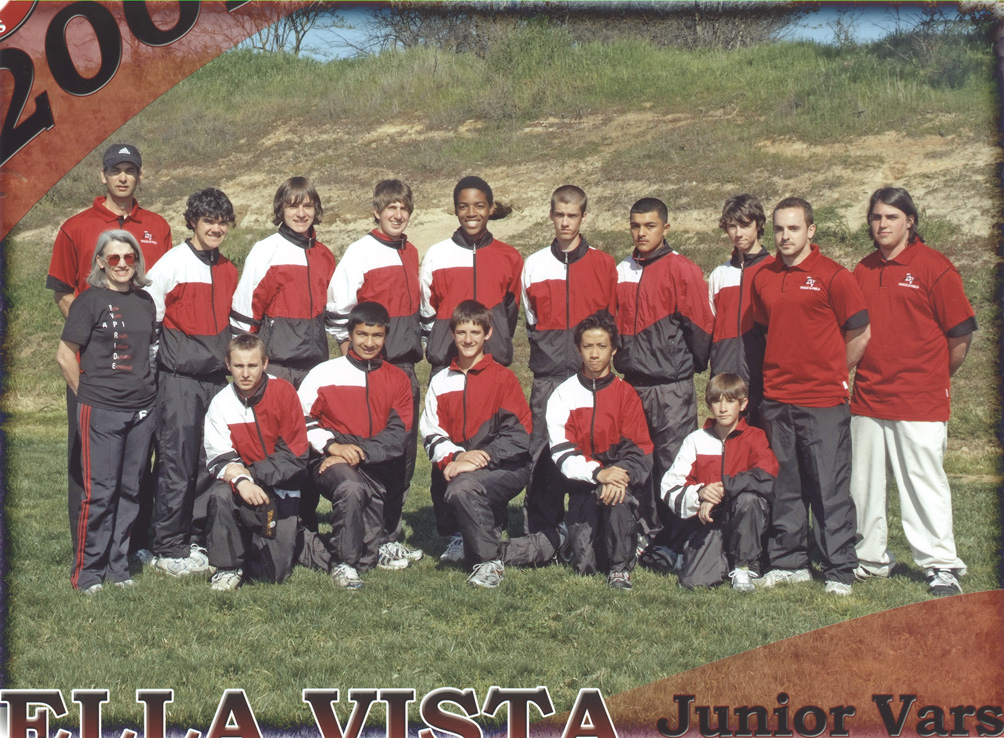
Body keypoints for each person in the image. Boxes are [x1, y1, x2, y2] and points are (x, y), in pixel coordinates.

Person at [48, 143, 172, 565]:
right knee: (88, 463)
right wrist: (95, 332)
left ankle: (129, 547)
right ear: (102, 175)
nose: (123, 177)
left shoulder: (157, 225)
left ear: (139, 176)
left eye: (130, 171)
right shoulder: (76, 226)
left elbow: (159, 290)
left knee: (135, 465)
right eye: (115, 170)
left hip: (139, 372)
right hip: (93, 371)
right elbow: (64, 289)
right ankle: (85, 548)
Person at [850, 187, 976, 597]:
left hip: (919, 400)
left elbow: (959, 336)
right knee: (864, 486)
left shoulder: (934, 267)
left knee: (923, 484)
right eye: (876, 218)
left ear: (910, 221)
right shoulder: (862, 270)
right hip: (868, 398)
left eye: (891, 217)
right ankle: (869, 559)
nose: (882, 225)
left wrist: (934, 376)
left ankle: (940, 565)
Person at [750, 197, 870, 596]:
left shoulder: (834, 276)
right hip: (777, 398)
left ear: (810, 231)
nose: (786, 236)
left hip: (822, 402)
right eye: (780, 229)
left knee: (828, 486)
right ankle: (789, 562)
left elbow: (860, 333)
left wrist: (835, 372)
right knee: (785, 484)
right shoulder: (763, 276)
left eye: (794, 228)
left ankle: (839, 568)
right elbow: (767, 330)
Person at [324, 180, 423, 560]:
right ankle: (368, 535)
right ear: (376, 212)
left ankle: (390, 534)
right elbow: (338, 309)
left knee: (402, 454)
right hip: (373, 370)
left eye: (403, 208)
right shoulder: (360, 252)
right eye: (390, 208)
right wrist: (354, 358)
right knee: (371, 453)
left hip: (405, 370)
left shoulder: (411, 251)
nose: (397, 215)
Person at [56, 230, 158, 593]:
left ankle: (117, 567)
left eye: (129, 258)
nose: (122, 265)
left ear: (137, 262)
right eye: (113, 258)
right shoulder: (89, 301)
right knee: (99, 492)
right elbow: (65, 355)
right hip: (101, 409)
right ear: (100, 261)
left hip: (141, 411)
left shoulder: (146, 301)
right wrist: (86, 398)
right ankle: (87, 573)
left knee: (130, 491)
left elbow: (148, 354)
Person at [614, 198, 713, 569]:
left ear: (665, 229)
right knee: (638, 461)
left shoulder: (682, 269)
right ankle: (644, 533)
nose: (641, 233)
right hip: (632, 384)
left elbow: (701, 329)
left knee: (674, 464)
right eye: (635, 225)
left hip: (671, 388)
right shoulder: (621, 269)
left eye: (650, 226)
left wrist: (681, 365)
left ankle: (679, 540)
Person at [145, 188, 239, 577]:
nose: (215, 228)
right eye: (208, 221)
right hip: (179, 381)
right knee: (176, 462)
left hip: (216, 381)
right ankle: (166, 546)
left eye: (221, 222)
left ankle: (196, 539)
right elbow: (149, 322)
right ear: (193, 222)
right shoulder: (171, 264)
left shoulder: (230, 269)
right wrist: (157, 373)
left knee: (206, 462)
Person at [520, 184, 618, 536]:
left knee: (592, 447)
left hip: (589, 377)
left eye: (572, 216)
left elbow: (610, 321)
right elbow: (530, 320)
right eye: (559, 215)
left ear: (583, 217)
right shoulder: (534, 264)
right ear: (550, 215)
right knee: (544, 451)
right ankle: (542, 530)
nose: (565, 222)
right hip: (547, 375)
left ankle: (591, 526)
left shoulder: (603, 264)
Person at [298, 302, 416, 589]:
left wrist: (357, 453)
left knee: (369, 555)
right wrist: (331, 447)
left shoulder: (397, 379)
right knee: (350, 488)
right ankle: (344, 566)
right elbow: (300, 420)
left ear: (386, 337)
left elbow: (398, 433)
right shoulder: (324, 373)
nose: (369, 342)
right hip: (329, 462)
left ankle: (306, 547)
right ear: (349, 334)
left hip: (371, 464)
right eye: (362, 334)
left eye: (377, 336)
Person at [202, 334, 333, 591]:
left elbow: (295, 456)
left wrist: (251, 475)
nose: (245, 374)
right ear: (228, 365)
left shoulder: (284, 392)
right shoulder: (221, 403)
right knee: (220, 493)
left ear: (265, 363)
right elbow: (219, 457)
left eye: (252, 366)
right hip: (242, 488)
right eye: (239, 366)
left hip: (282, 487)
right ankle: (227, 568)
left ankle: (295, 536)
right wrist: (242, 482)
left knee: (272, 574)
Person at [420, 300, 532, 588]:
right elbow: (431, 432)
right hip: (459, 466)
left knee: (462, 487)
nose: (468, 339)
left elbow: (520, 434)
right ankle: (464, 535)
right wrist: (458, 457)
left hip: (504, 467)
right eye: (461, 332)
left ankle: (488, 562)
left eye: (475, 332)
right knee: (453, 477)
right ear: (452, 335)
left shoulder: (504, 379)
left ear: (488, 334)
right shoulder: (441, 380)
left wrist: (483, 455)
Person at [546, 313, 653, 590]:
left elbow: (640, 449)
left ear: (614, 350)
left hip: (618, 484)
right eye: (588, 346)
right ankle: (579, 536)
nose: (594, 354)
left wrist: (619, 476)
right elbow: (561, 453)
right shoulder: (563, 394)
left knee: (618, 501)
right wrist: (599, 473)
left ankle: (620, 569)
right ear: (579, 349)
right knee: (585, 565)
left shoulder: (626, 394)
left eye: (601, 346)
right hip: (583, 483)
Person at [661, 374, 778, 591]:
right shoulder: (696, 440)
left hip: (742, 518)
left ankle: (743, 567)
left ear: (743, 404)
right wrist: (700, 494)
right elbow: (668, 489)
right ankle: (717, 559)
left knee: (749, 499)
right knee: (694, 582)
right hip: (708, 523)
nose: (723, 408)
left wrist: (721, 492)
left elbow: (766, 477)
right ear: (709, 405)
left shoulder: (755, 437)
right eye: (717, 401)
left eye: (730, 401)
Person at [230, 176, 336, 388]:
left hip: (315, 367)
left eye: (307, 206)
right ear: (281, 209)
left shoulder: (325, 256)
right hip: (276, 366)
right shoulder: (266, 251)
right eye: (293, 206)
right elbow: (245, 312)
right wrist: (246, 366)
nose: (301, 214)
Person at [419, 176, 523, 375]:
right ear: (456, 209)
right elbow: (427, 307)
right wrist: (440, 341)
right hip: (447, 364)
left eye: (479, 205)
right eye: (463, 206)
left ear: (491, 209)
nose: (471, 213)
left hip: (493, 363)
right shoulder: (437, 254)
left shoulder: (510, 257)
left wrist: (497, 340)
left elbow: (510, 311)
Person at [707, 194, 774, 427]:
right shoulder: (719, 275)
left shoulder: (775, 270)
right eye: (732, 226)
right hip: (726, 375)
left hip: (763, 375)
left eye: (745, 225)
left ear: (759, 224)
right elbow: (711, 325)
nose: (738, 233)